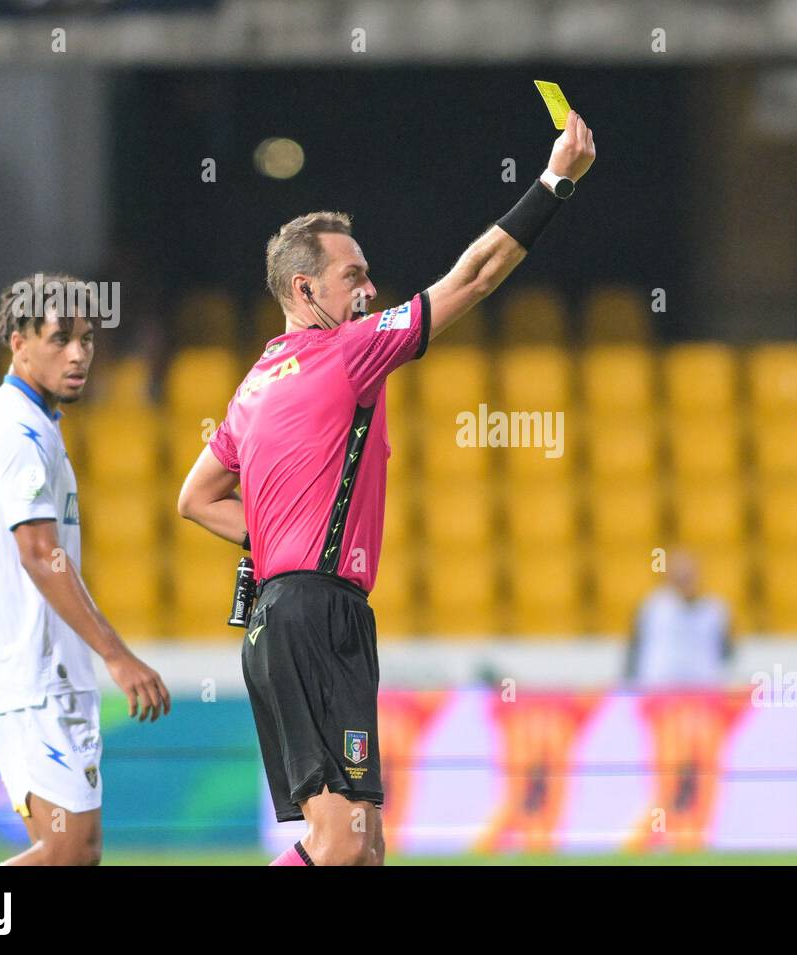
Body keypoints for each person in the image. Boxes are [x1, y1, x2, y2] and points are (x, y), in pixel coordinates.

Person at [178, 111, 597, 866]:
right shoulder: (346, 353)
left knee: (365, 850)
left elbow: (196, 496)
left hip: (287, 615)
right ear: (305, 289)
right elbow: (473, 276)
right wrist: (554, 182)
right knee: (340, 846)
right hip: (316, 615)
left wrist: (274, 543)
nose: (370, 289)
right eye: (353, 276)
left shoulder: (252, 385)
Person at [0, 274, 171, 865]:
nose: (78, 354)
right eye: (60, 339)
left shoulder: (35, 425)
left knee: (73, 852)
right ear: (18, 343)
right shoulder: (18, 429)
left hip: (41, 670)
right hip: (33, 670)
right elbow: (38, 552)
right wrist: (116, 653)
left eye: (87, 339)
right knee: (68, 852)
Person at [624, 550, 733, 688]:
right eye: (679, 576)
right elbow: (634, 649)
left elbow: (727, 651)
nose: (684, 581)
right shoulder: (653, 607)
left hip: (703, 691)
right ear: (669, 577)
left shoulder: (715, 609)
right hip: (657, 690)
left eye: (688, 576)